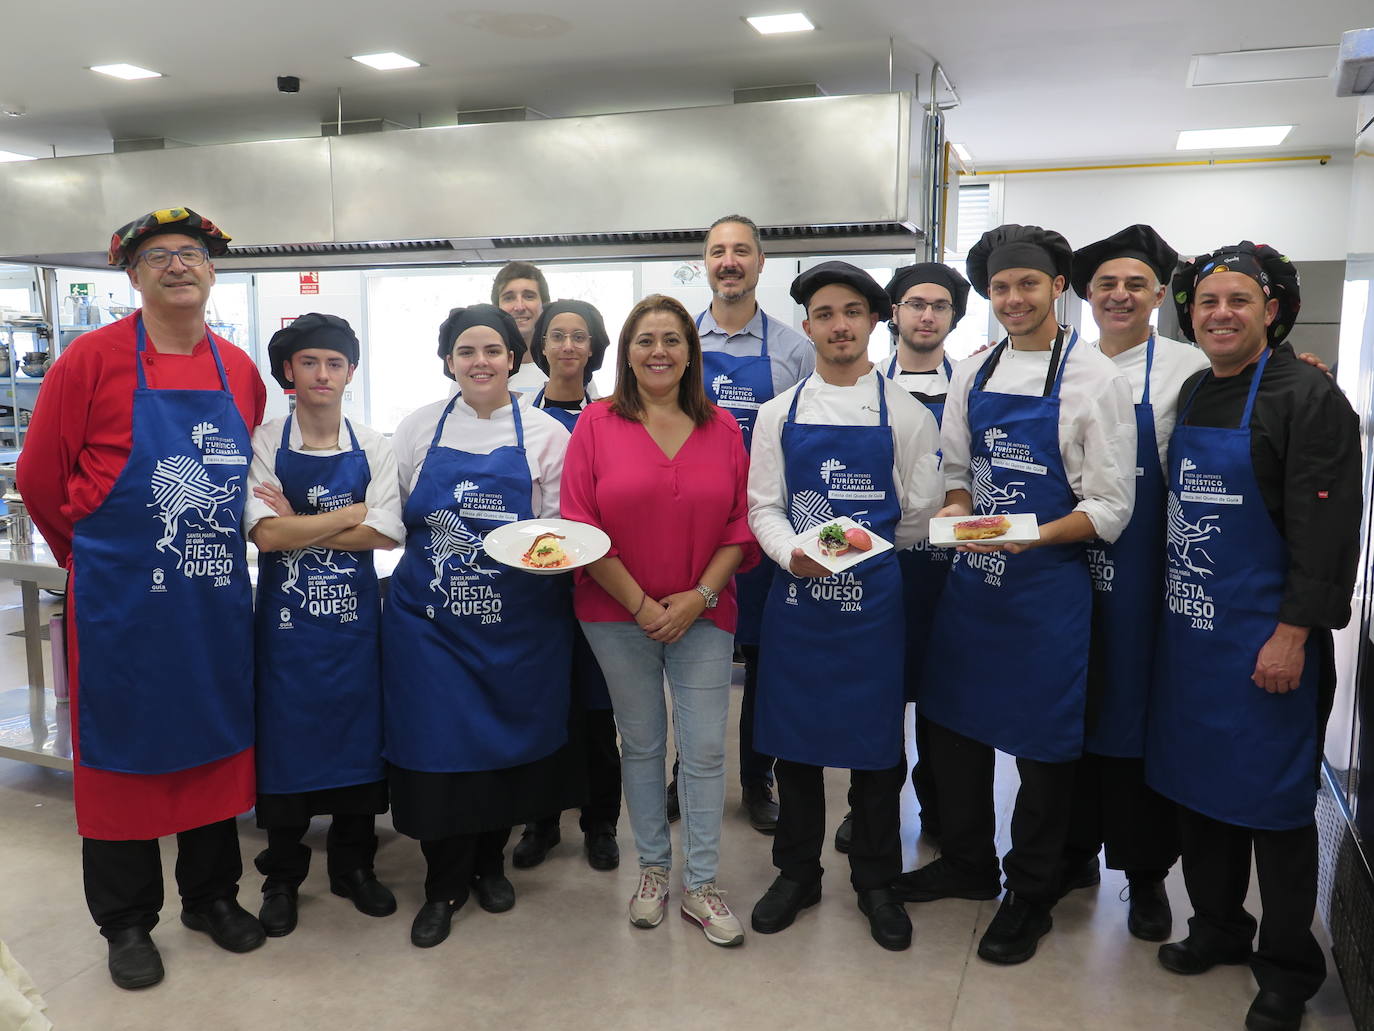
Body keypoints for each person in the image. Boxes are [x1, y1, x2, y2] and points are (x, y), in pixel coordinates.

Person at [17, 207, 268, 990]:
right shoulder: (88, 362)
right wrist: (95, 556)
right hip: (121, 605)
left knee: (213, 741)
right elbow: (39, 477)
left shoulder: (240, 370)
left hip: (212, 602)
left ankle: (212, 895)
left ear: (212, 270)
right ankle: (126, 921)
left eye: (190, 253)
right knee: (121, 755)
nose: (177, 265)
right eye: (157, 256)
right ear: (132, 275)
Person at [1147, 242, 1360, 1031]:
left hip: (1269, 640)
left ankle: (1288, 966)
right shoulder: (1199, 389)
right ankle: (1218, 926)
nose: (1221, 313)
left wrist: (1293, 633)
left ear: (1271, 311)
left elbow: (1327, 532)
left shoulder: (1309, 396)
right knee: (1200, 793)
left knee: (1274, 807)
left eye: (1238, 300)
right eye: (1207, 302)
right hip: (1194, 638)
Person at [911, 224, 1136, 965]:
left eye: (1028, 284)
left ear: (1057, 287)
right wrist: (956, 511)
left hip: (1046, 594)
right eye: (1002, 287)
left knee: (1043, 748)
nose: (1014, 298)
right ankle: (968, 862)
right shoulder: (974, 372)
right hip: (974, 590)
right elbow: (955, 470)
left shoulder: (1094, 379)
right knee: (953, 729)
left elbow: (1110, 508)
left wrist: (1032, 536)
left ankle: (1032, 891)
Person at [747, 262, 943, 951]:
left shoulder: (908, 415)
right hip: (798, 605)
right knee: (795, 748)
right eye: (825, 314)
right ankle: (797, 873)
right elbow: (764, 507)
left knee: (877, 753)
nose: (839, 326)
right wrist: (788, 553)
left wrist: (866, 548)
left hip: (874, 612)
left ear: (874, 320)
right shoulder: (778, 413)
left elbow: (917, 514)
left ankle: (876, 880)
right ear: (808, 327)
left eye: (852, 312)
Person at [561, 294, 756, 947]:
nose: (659, 351)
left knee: (703, 748)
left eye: (672, 339)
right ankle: (652, 870)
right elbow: (580, 524)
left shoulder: (722, 428)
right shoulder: (596, 424)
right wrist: (642, 605)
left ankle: (701, 882)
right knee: (641, 743)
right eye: (645, 340)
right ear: (626, 353)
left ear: (691, 353)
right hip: (615, 613)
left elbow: (739, 525)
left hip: (705, 611)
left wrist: (697, 596)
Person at [383, 304, 578, 949]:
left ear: (514, 360)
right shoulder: (417, 429)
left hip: (516, 625)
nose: (480, 362)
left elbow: (560, 528)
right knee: (438, 752)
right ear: (448, 361)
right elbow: (393, 515)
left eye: (493, 350)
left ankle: (490, 864)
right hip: (430, 625)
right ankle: (443, 884)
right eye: (466, 351)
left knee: (502, 749)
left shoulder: (546, 434)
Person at [1052, 225, 1209, 941]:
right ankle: (1071, 853)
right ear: (1087, 294)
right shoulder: (1063, 365)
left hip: (1147, 580)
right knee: (1071, 712)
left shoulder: (1188, 368)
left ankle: (1145, 873)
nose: (1120, 296)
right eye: (1107, 284)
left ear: (1159, 295)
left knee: (1137, 720)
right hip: (1064, 569)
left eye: (1135, 284)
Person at [245, 314, 405, 936]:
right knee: (285, 746)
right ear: (289, 371)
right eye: (309, 362)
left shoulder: (375, 445)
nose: (322, 374)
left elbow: (385, 534)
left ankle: (353, 867)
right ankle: (282, 877)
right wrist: (349, 513)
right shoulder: (265, 440)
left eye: (334, 364)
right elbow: (264, 535)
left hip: (354, 632)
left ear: (350, 373)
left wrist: (299, 523)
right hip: (286, 635)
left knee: (358, 743)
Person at [679, 214, 815, 835]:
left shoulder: (794, 350)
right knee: (690, 655)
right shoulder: (679, 341)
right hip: (692, 527)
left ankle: (758, 779)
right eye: (717, 251)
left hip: (765, 525)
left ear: (761, 263)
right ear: (705, 264)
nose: (728, 261)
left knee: (762, 660)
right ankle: (686, 772)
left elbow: (807, 438)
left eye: (740, 251)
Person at [834, 262, 971, 855]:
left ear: (953, 318)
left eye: (940, 306)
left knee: (944, 697)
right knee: (876, 695)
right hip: (880, 567)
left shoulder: (971, 385)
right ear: (893, 313)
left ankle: (939, 807)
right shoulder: (863, 387)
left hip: (954, 572)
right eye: (916, 303)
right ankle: (866, 808)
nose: (926, 315)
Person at [510, 300, 623, 872]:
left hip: (601, 584)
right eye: (558, 335)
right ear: (542, 347)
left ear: (594, 347)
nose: (568, 346)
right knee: (543, 706)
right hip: (536, 589)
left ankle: (601, 824)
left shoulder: (612, 417)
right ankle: (541, 821)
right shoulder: (517, 418)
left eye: (580, 336)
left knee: (598, 713)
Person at [492, 261, 550, 397]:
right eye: (509, 298)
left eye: (529, 296)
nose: (519, 307)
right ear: (496, 308)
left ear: (545, 305)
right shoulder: (477, 370)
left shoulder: (566, 366)